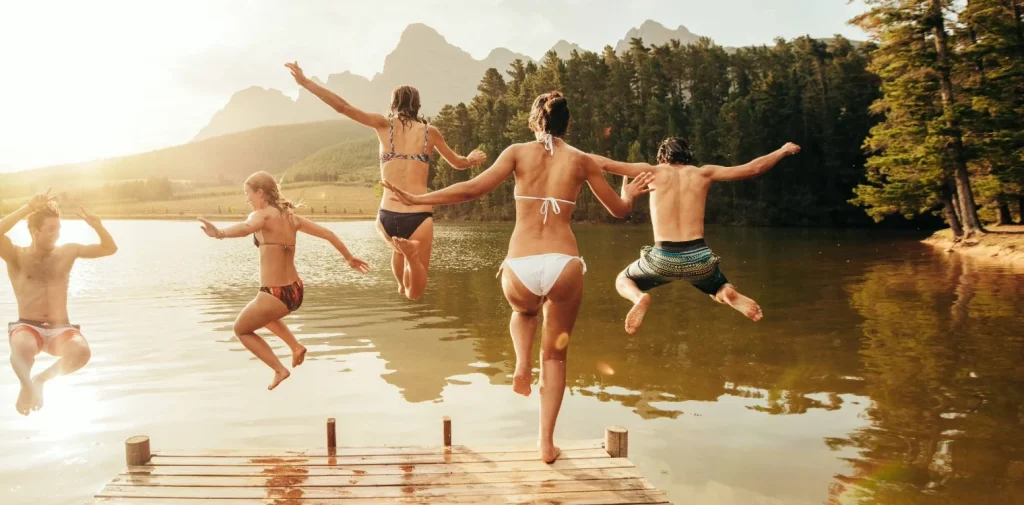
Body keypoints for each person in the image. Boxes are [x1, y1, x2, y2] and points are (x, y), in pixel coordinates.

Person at [383, 91, 654, 463]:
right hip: (563, 263)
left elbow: (472, 189)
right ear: (567, 125)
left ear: (533, 122)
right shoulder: (582, 160)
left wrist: (419, 199)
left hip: (520, 265)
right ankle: (546, 444)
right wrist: (628, 192)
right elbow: (619, 211)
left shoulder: (516, 152)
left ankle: (522, 362)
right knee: (555, 358)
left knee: (524, 312)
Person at [285, 61, 486, 300]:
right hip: (419, 215)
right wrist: (471, 159)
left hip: (387, 216)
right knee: (415, 293)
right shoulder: (430, 133)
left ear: (393, 105)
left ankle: (400, 281)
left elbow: (342, 107)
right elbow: (458, 163)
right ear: (418, 106)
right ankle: (411, 260)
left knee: (397, 250)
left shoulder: (383, 125)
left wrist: (305, 82)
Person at [589, 138, 801, 334]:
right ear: (688, 156)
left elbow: (605, 163)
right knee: (717, 287)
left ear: (661, 158)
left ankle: (639, 298)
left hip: (663, 258)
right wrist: (782, 151)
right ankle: (726, 293)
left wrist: (570, 152)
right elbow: (754, 168)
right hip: (699, 259)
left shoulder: (651, 171)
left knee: (623, 279)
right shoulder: (704, 173)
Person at [197, 172, 370, 390]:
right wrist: (348, 257)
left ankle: (279, 369)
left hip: (274, 293)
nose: (246, 198)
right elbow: (328, 233)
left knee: (241, 329)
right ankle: (295, 346)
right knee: (262, 315)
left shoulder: (262, 215)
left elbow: (246, 228)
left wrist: (220, 233)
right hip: (295, 290)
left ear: (260, 192)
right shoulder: (291, 218)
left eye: (247, 193)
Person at [1, 190, 117, 415]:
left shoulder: (67, 252)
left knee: (82, 352)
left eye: (59, 228)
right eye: (51, 229)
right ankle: (26, 386)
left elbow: (109, 249)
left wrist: (98, 226)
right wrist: (28, 207)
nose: (57, 234)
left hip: (61, 327)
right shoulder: (16, 255)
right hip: (28, 326)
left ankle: (39, 380)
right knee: (22, 347)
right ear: (34, 231)